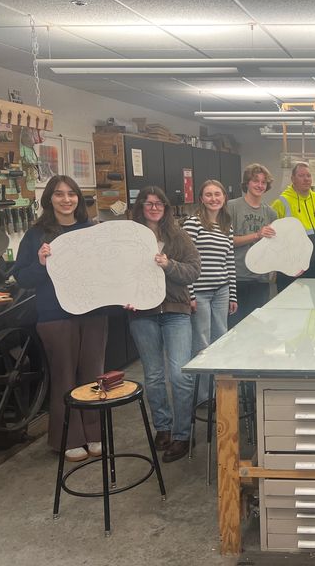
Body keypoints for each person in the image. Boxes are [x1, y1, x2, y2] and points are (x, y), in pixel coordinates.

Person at [15, 176, 108, 462]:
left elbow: (105, 269)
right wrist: (41, 264)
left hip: (92, 312)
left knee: (94, 376)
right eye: (59, 194)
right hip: (55, 315)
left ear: (79, 198)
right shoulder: (37, 234)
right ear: (49, 199)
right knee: (64, 377)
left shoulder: (90, 231)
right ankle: (68, 437)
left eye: (71, 194)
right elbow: (22, 276)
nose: (66, 199)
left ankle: (94, 433)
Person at [128, 187, 201, 463]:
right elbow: (119, 275)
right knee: (154, 377)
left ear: (166, 207)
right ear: (140, 207)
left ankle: (183, 434)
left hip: (175, 311)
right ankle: (163, 428)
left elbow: (194, 269)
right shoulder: (130, 238)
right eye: (149, 203)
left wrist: (169, 265)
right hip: (142, 314)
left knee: (180, 375)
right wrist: (125, 297)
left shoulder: (177, 236)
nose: (154, 207)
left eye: (159, 203)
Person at [182, 180, 237, 356]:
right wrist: (190, 295)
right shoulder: (193, 223)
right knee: (202, 343)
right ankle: (203, 384)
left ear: (224, 197)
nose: (214, 198)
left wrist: (233, 294)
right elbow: (185, 260)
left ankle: (218, 383)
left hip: (222, 290)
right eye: (208, 195)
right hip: (199, 292)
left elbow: (229, 261)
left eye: (217, 194)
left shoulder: (226, 226)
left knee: (222, 338)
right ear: (201, 199)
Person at [228, 164, 277, 327]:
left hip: (260, 279)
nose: (260, 185)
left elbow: (274, 248)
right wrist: (256, 235)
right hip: (237, 277)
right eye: (255, 181)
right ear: (247, 183)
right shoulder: (232, 207)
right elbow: (227, 241)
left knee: (256, 329)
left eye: (263, 182)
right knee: (234, 328)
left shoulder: (270, 213)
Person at [271, 162, 315, 290]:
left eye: (308, 175)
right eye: (301, 175)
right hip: (292, 266)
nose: (306, 179)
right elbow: (272, 237)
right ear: (292, 179)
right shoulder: (281, 202)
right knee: (292, 305)